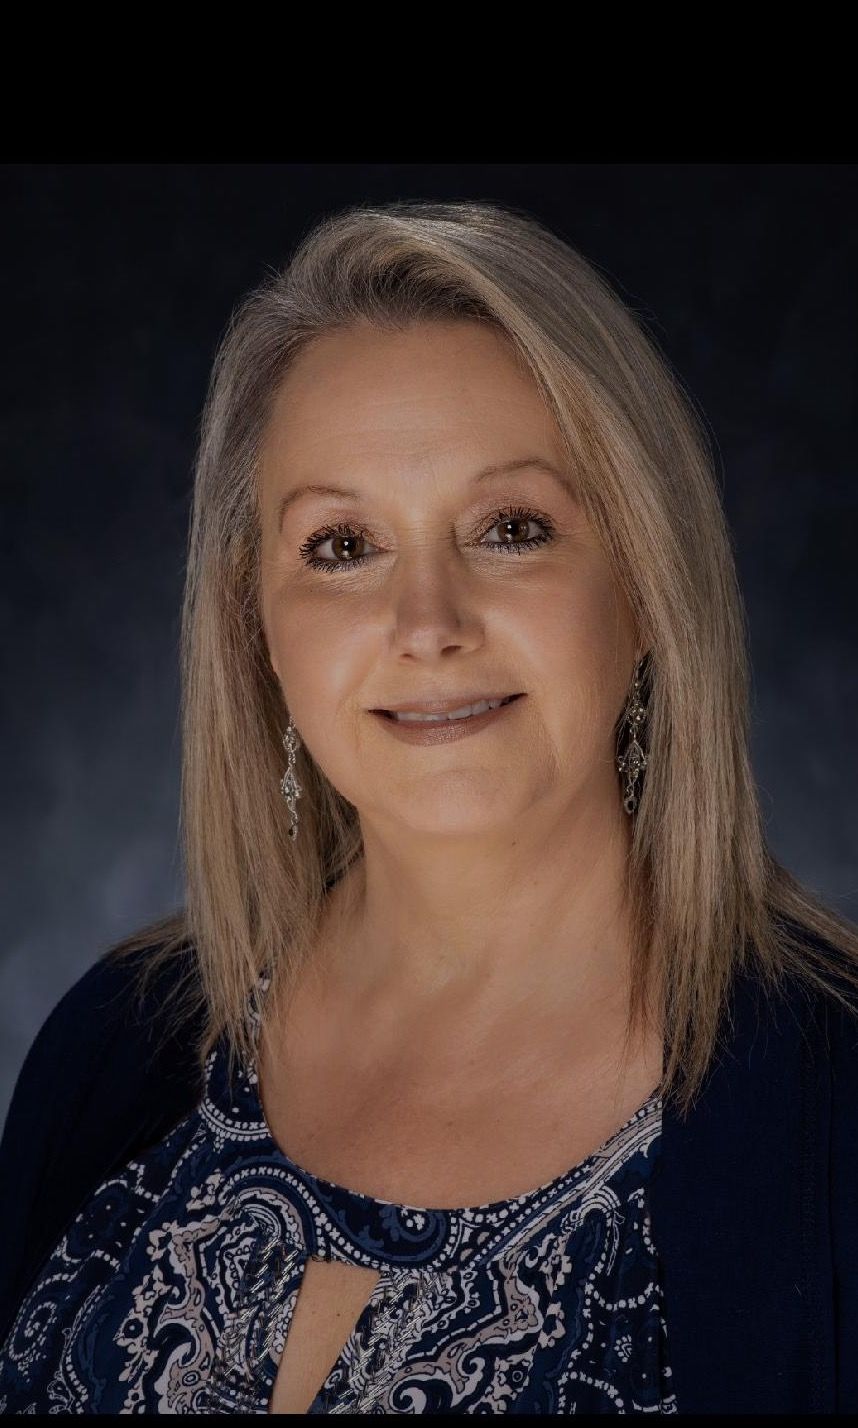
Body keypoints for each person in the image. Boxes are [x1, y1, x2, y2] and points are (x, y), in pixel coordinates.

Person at [1, 198, 856, 1415]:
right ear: (257, 625)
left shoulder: (834, 1112)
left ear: (647, 585)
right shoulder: (115, 1050)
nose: (428, 627)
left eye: (512, 529)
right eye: (342, 546)